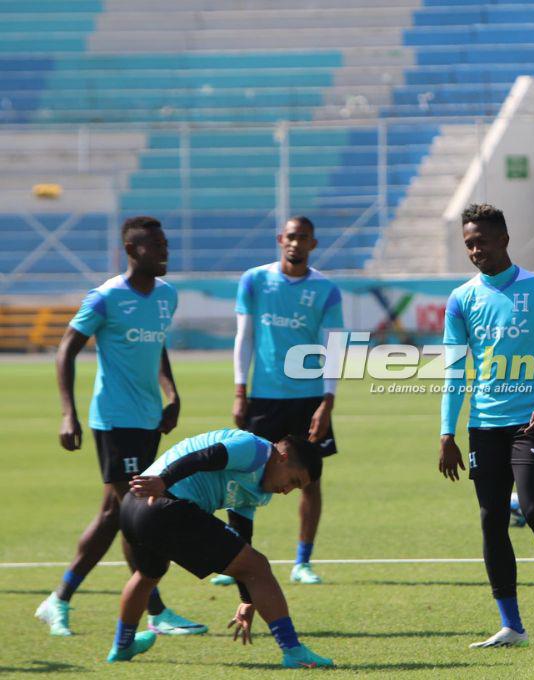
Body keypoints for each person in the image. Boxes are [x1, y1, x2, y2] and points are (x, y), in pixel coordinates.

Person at [36, 216, 205, 637]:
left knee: (115, 513)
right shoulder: (105, 298)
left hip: (149, 420)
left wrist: (172, 394)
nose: (166, 252)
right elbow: (66, 351)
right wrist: (67, 413)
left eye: (166, 244)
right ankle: (156, 610)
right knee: (132, 512)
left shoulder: (167, 296)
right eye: (157, 246)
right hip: (115, 421)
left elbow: (157, 344)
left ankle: (59, 600)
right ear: (132, 251)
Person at [438, 204, 534, 648]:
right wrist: (447, 433)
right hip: (484, 425)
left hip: (531, 421)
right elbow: (454, 372)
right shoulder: (461, 299)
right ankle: (512, 625)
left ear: (503, 239)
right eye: (468, 244)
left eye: (481, 241)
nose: (475, 250)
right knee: (491, 519)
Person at [107, 429, 333, 668]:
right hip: (161, 499)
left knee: (148, 575)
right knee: (259, 566)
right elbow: (206, 456)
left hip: (134, 507)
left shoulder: (259, 487)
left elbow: (241, 534)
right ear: (282, 459)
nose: (287, 491)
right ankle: (294, 651)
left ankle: (123, 646)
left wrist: (247, 600)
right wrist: (164, 481)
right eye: (293, 481)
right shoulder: (255, 449)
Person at [222, 215, 343, 587]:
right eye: (290, 236)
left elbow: (333, 346)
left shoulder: (326, 289)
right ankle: (237, 556)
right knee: (244, 478)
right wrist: (240, 390)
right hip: (264, 398)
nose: (295, 243)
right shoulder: (255, 280)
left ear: (313, 244)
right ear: (280, 239)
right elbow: (244, 338)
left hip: (308, 399)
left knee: (312, 481)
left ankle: (302, 562)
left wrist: (328, 402)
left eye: (303, 237)